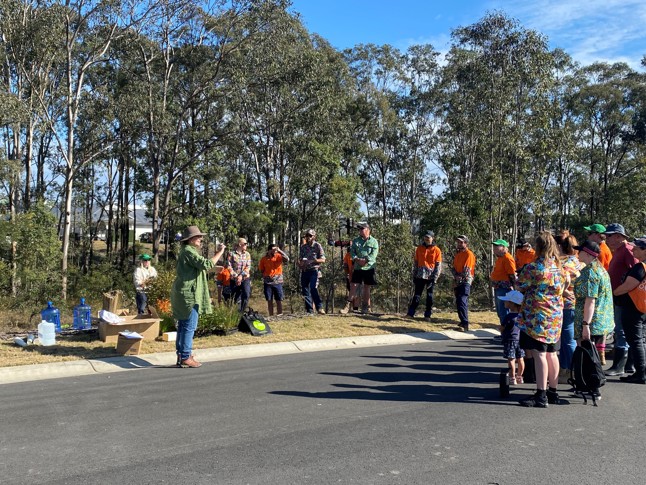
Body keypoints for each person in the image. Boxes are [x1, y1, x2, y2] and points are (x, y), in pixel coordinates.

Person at [516, 232, 566, 408]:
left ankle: (541, 394)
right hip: (555, 316)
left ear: (538, 247)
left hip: (537, 316)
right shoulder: (559, 267)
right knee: (552, 354)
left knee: (540, 354)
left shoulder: (533, 267)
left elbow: (520, 285)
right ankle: (553, 391)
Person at [171, 226, 226, 368]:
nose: (200, 239)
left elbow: (198, 268)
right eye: (198, 236)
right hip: (189, 295)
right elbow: (206, 264)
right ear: (190, 239)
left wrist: (214, 269)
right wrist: (220, 252)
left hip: (184, 293)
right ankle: (185, 356)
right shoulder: (189, 251)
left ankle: (182, 355)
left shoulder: (186, 251)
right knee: (189, 326)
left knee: (183, 325)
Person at [572, 239, 614, 397]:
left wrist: (585, 325)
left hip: (592, 321)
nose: (578, 253)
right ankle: (588, 386)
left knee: (588, 357)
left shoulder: (591, 273)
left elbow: (590, 300)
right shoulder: (600, 269)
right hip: (600, 320)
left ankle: (591, 388)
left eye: (580, 251)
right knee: (591, 356)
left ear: (587, 253)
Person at [604, 223, 639, 376]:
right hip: (619, 296)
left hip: (625, 297)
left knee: (621, 330)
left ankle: (619, 365)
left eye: (609, 236)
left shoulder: (628, 250)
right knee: (621, 329)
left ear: (618, 236)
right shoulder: (619, 251)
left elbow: (637, 273)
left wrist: (623, 290)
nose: (607, 239)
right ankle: (629, 364)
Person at [612, 236, 646, 384]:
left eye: (637, 248)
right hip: (641, 307)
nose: (633, 250)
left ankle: (641, 373)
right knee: (640, 340)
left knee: (636, 341)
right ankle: (641, 372)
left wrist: (613, 292)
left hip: (633, 308)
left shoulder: (640, 267)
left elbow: (628, 286)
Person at [558, 234, 585, 382]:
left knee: (568, 339)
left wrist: (562, 290)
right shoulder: (578, 262)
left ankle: (572, 369)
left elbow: (559, 283)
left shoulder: (563, 264)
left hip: (566, 304)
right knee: (566, 338)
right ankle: (565, 368)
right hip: (575, 303)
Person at [341, 222, 379, 314]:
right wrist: (357, 259)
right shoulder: (356, 241)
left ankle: (366, 308)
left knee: (367, 287)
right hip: (358, 267)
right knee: (353, 286)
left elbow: (374, 254)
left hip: (369, 268)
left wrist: (365, 260)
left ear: (368, 230)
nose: (360, 230)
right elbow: (352, 252)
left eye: (362, 228)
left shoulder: (374, 241)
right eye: (359, 229)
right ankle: (347, 307)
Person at [498, 290, 526, 385]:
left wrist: (500, 330)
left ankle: (512, 377)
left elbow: (502, 327)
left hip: (510, 340)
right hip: (520, 340)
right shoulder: (522, 315)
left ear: (512, 303)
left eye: (506, 301)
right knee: (520, 358)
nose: (504, 302)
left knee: (511, 359)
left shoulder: (508, 316)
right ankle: (520, 377)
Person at [299, 229, 326, 315]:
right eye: (307, 235)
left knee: (313, 288)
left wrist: (313, 261)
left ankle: (319, 307)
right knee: (305, 291)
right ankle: (309, 311)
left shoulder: (317, 246)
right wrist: (300, 263)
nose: (308, 237)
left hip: (314, 270)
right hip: (305, 271)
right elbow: (301, 259)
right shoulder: (303, 247)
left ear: (314, 236)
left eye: (310, 236)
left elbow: (323, 259)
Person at [490, 239, 517, 326]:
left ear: (504, 247)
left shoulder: (507, 258)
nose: (494, 248)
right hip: (499, 288)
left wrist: (515, 289)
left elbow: (512, 275)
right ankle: (504, 330)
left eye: (497, 246)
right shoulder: (500, 258)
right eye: (494, 246)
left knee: (504, 311)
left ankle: (507, 331)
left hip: (505, 289)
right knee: (500, 311)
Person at [452, 235, 476, 331]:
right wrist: (455, 277)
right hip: (458, 280)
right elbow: (454, 268)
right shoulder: (458, 254)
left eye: (461, 242)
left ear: (466, 243)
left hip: (465, 280)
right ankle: (462, 321)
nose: (459, 244)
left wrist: (459, 278)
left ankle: (465, 323)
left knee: (462, 300)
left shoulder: (469, 254)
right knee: (459, 301)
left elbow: (467, 269)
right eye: (458, 242)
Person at [259, 244, 290, 317]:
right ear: (269, 250)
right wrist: (266, 275)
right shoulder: (264, 259)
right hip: (268, 282)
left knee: (279, 299)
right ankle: (271, 316)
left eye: (275, 250)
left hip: (278, 282)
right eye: (273, 250)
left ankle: (280, 315)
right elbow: (261, 269)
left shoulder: (278, 256)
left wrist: (279, 251)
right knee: (269, 300)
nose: (274, 251)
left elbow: (287, 259)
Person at [227, 238, 252, 312]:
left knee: (246, 294)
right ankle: (236, 313)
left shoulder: (247, 254)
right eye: (245, 244)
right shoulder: (231, 254)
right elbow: (229, 266)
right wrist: (236, 276)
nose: (246, 245)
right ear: (240, 244)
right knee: (235, 297)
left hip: (245, 278)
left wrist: (241, 276)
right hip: (234, 279)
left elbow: (248, 266)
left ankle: (242, 312)